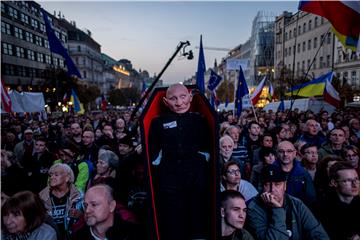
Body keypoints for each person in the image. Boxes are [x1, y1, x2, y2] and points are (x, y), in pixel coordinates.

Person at [148, 83, 212, 240]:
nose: (179, 102)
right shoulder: (158, 123)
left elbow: (209, 147)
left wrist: (200, 160)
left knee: (198, 222)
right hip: (169, 183)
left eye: (183, 97)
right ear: (165, 101)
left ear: (190, 97)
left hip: (196, 181)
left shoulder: (200, 120)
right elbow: (152, 153)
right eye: (173, 98)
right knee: (173, 225)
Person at [246, 165, 329, 240]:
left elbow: (317, 232)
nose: (272, 190)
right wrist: (277, 209)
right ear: (261, 187)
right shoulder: (254, 208)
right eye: (267, 184)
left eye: (277, 184)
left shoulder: (296, 204)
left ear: (285, 186)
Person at [72, 184, 139, 240]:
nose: (87, 210)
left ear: (111, 206)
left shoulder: (134, 233)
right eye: (85, 205)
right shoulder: (76, 237)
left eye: (94, 204)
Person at [316, 162, 360, 240]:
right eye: (348, 180)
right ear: (334, 183)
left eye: (356, 179)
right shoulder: (320, 207)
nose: (355, 184)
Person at [39, 163, 82, 240]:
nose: (52, 177)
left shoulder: (79, 196)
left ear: (67, 178)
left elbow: (89, 218)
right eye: (50, 175)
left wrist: (81, 216)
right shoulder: (42, 197)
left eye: (56, 175)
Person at [275, 141, 316, 206]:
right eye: (281, 151)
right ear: (277, 154)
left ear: (295, 154)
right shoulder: (269, 171)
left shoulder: (303, 173)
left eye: (289, 151)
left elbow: (311, 197)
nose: (285, 154)